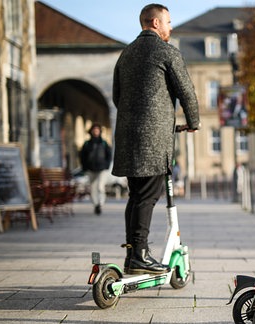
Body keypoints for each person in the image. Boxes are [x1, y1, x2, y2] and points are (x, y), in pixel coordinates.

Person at [112, 4, 200, 275]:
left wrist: (134, 118)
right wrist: (194, 122)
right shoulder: (166, 52)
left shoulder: (125, 55)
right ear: (154, 23)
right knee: (148, 196)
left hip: (128, 136)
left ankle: (132, 254)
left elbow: (117, 96)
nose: (171, 28)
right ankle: (140, 255)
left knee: (136, 195)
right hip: (153, 139)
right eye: (168, 22)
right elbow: (186, 92)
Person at [79, 124, 112, 215]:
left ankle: (100, 203)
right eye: (94, 130)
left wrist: (107, 165)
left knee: (100, 187)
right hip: (90, 169)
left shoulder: (104, 143)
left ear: (100, 131)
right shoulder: (87, 144)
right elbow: (82, 156)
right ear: (91, 131)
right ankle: (96, 204)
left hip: (102, 169)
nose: (96, 131)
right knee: (93, 188)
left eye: (97, 130)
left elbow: (109, 155)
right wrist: (84, 166)